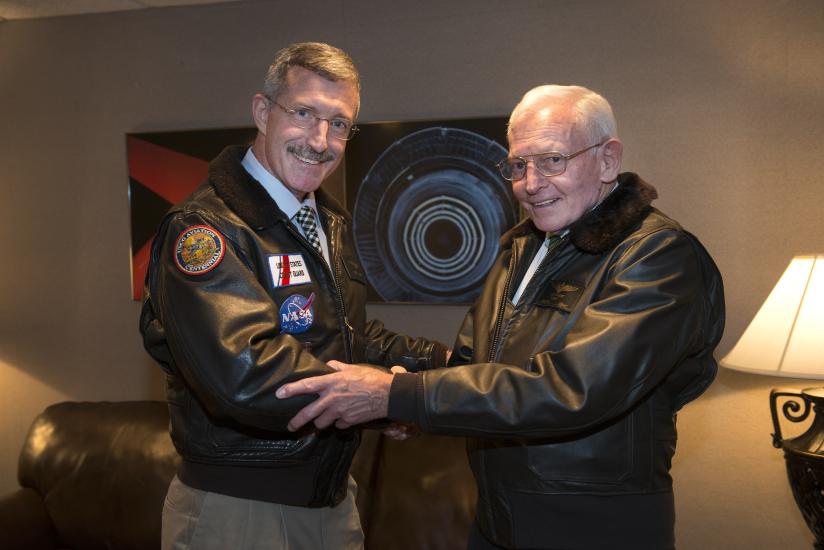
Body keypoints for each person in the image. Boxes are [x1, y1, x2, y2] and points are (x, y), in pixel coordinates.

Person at [276, 84, 725, 549]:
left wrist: (399, 395)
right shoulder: (522, 249)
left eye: (553, 160)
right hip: (498, 522)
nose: (531, 183)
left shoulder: (656, 256)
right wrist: (405, 401)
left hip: (594, 528)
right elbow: (475, 366)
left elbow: (570, 389)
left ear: (608, 160)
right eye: (518, 165)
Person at [139, 42, 448, 550]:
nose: (320, 139)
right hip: (242, 514)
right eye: (304, 113)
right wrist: (387, 400)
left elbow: (345, 338)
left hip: (330, 501)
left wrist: (443, 365)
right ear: (263, 112)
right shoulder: (204, 230)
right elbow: (248, 371)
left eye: (340, 123)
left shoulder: (326, 220)